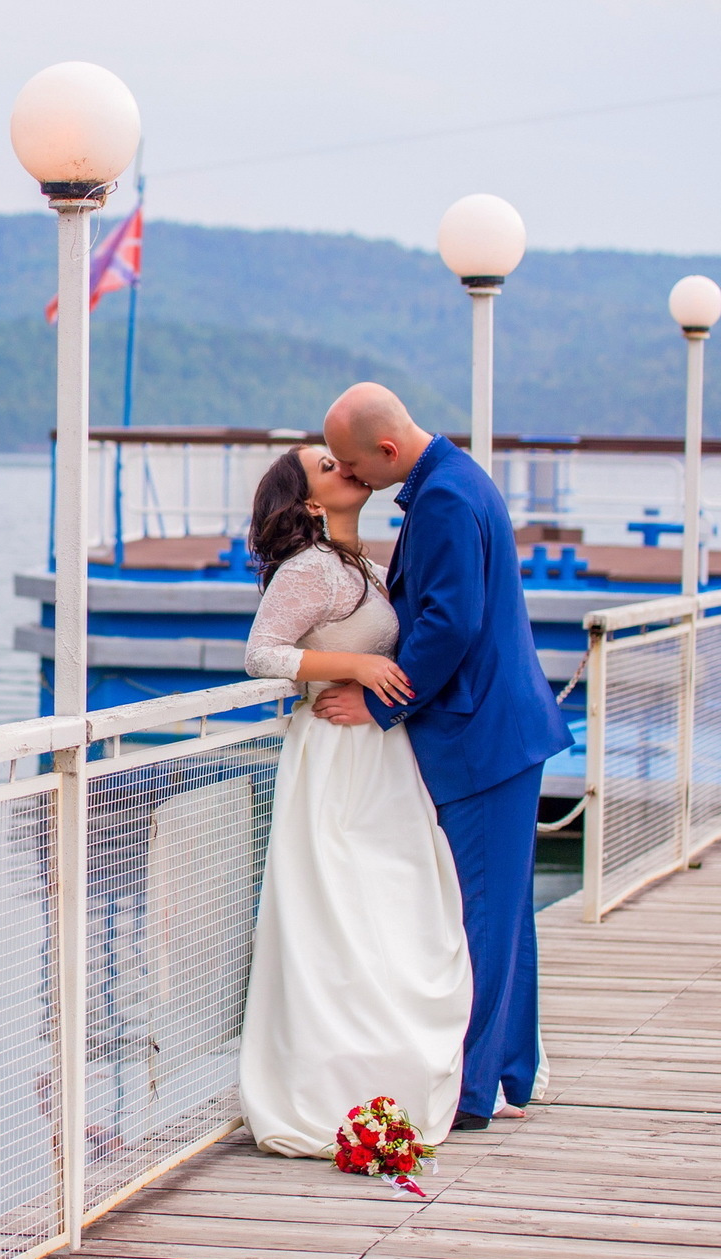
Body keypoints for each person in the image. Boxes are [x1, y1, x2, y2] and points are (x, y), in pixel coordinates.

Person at [316, 383, 574, 1130]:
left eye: (356, 464)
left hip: (482, 737)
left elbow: (449, 623)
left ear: (388, 451)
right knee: (505, 910)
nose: (352, 476)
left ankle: (468, 1091)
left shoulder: (446, 501)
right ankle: (508, 1071)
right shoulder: (451, 483)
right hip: (498, 732)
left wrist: (378, 700)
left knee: (484, 914)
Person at [235, 444, 473, 1157]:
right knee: (342, 910)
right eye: (327, 467)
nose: (345, 466)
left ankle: (393, 1067)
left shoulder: (364, 565)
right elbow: (263, 652)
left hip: (379, 755)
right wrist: (360, 665)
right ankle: (338, 1079)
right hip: (336, 758)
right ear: (309, 504)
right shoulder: (310, 569)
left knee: (400, 906)